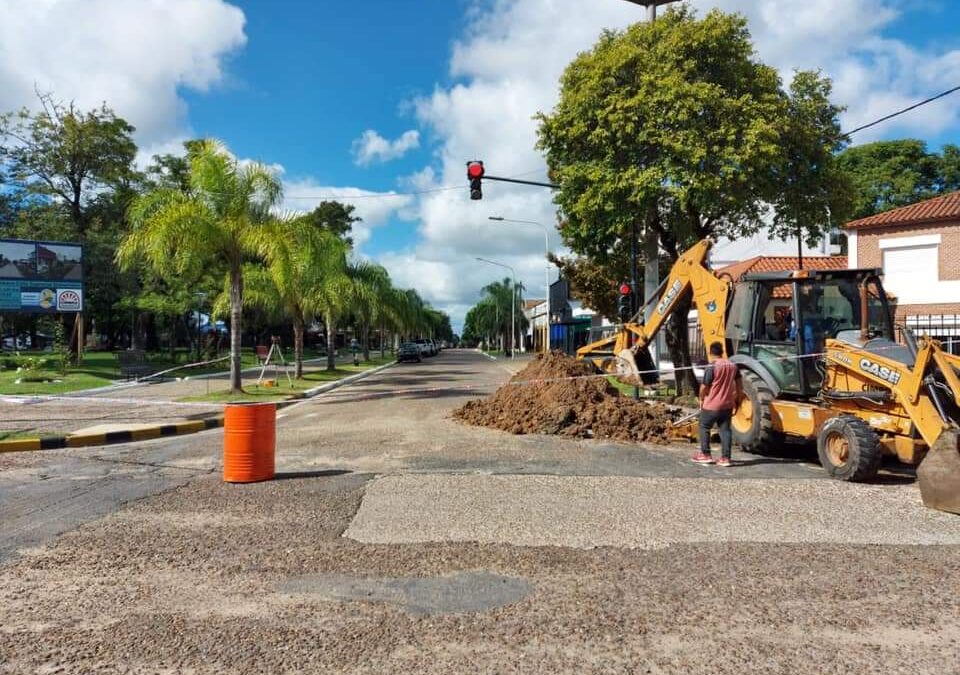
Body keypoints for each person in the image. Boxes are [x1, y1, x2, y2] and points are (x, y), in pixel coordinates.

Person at [692, 342, 742, 467]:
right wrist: (737, 400)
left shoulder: (712, 366)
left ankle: (706, 455)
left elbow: (704, 386)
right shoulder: (733, 366)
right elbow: (740, 387)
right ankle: (726, 458)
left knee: (704, 426)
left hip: (712, 405)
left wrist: (701, 398)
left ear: (710, 352)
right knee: (725, 430)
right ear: (722, 352)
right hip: (727, 405)